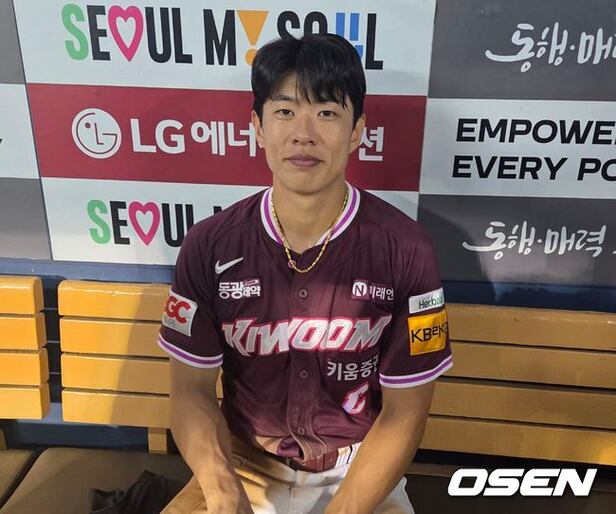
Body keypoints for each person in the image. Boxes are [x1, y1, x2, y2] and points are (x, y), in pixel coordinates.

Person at [158, 33, 453, 514]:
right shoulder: (210, 244)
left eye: (327, 113)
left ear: (356, 130)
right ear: (257, 126)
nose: (304, 134)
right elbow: (189, 390)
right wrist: (222, 490)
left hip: (359, 471)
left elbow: (406, 413)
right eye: (285, 111)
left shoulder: (405, 248)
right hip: (244, 463)